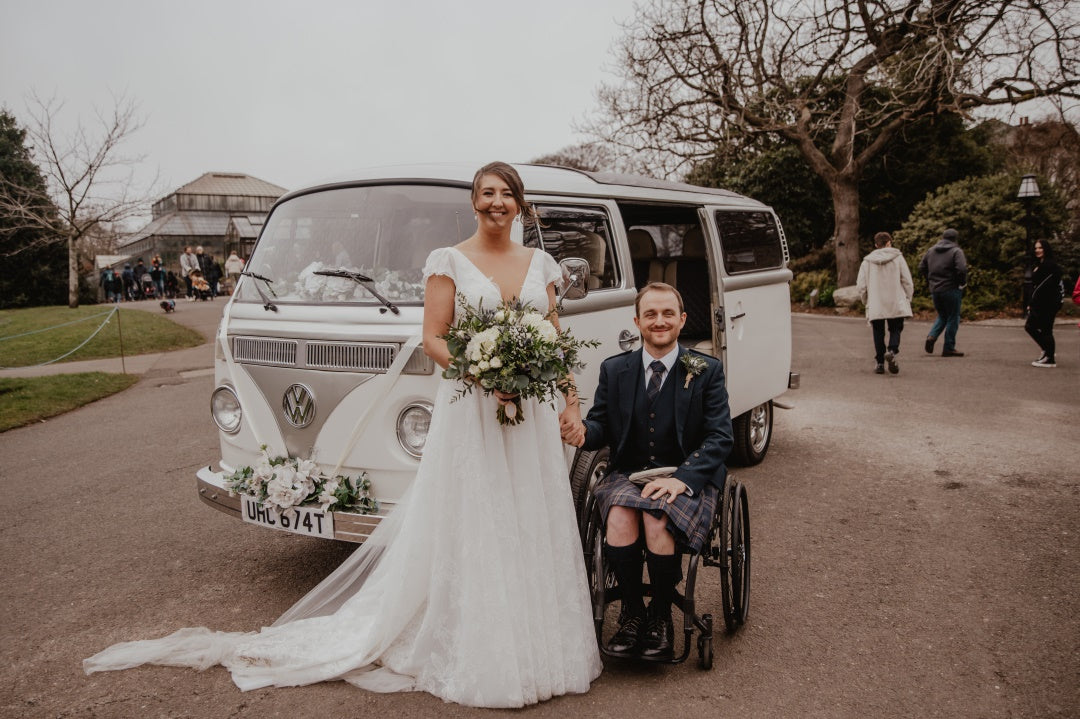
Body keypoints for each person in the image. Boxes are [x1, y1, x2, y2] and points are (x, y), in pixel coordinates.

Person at [83, 162, 602, 708]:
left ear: (520, 204)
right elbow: (433, 338)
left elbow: (554, 341)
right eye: (487, 193)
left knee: (528, 516)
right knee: (478, 517)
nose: (497, 202)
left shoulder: (540, 265)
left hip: (530, 415)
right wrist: (484, 372)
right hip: (474, 406)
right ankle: (484, 647)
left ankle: (537, 643)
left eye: (507, 194)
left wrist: (569, 402)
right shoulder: (448, 261)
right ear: (474, 203)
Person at [561, 281, 733, 659]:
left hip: (689, 475)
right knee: (621, 513)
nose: (659, 321)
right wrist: (582, 432)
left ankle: (660, 618)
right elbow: (601, 426)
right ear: (637, 321)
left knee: (657, 518)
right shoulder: (615, 369)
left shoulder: (705, 369)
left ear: (682, 320)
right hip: (629, 473)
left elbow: (721, 437)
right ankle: (633, 616)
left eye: (668, 313)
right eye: (651, 314)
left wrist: (682, 479)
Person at [856, 231, 914, 374]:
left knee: (878, 332)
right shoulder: (898, 258)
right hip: (895, 300)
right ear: (889, 242)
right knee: (895, 328)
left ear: (876, 245)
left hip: (876, 302)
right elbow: (907, 281)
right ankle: (892, 350)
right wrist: (908, 298)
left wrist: (865, 301)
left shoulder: (867, 261)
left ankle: (880, 363)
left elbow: (861, 285)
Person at [920, 228, 968, 357]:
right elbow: (962, 269)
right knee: (954, 316)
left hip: (935, 289)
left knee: (942, 315)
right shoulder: (956, 251)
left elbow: (922, 267)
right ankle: (949, 347)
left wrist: (930, 280)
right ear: (955, 239)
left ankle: (932, 336)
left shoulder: (931, 250)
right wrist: (961, 282)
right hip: (951, 288)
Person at [1026, 239, 1063, 368]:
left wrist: (1033, 301)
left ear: (1046, 249)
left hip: (1048, 303)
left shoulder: (1049, 265)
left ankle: (1050, 358)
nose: (1037, 250)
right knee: (1032, 326)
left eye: (1040, 248)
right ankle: (1047, 351)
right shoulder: (1041, 264)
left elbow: (1043, 287)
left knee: (1045, 329)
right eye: (1036, 248)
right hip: (1042, 303)